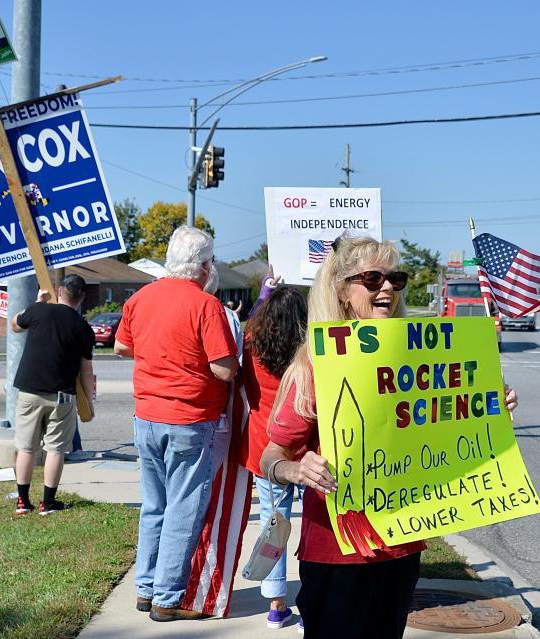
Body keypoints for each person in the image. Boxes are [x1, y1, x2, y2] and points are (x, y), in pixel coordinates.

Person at [259, 235, 519, 638]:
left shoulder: (419, 357)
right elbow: (270, 457)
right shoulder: (316, 364)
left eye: (395, 279)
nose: (386, 288)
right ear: (343, 291)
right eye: (372, 278)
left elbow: (443, 440)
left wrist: (487, 408)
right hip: (337, 549)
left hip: (401, 544)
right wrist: (296, 469)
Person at [114, 225, 239, 622]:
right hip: (190, 420)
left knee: (154, 506)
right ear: (204, 266)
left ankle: (146, 589)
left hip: (146, 417)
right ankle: (168, 598)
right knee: (183, 509)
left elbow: (121, 347)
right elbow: (223, 370)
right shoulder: (205, 305)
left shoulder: (141, 298)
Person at [237, 280, 308, 630]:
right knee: (316, 529)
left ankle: (276, 603)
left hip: (266, 447)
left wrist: (264, 291)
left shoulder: (251, 344)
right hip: (310, 450)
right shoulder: (312, 352)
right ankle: (312, 603)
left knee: (273, 524)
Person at [11, 274, 95, 516]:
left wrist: (37, 302)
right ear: (82, 298)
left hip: (29, 390)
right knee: (56, 449)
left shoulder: (39, 311)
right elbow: (86, 370)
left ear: (59, 291)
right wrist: (88, 402)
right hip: (63, 395)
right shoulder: (83, 328)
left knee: (27, 448)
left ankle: (22, 501)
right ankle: (48, 503)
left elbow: (15, 324)